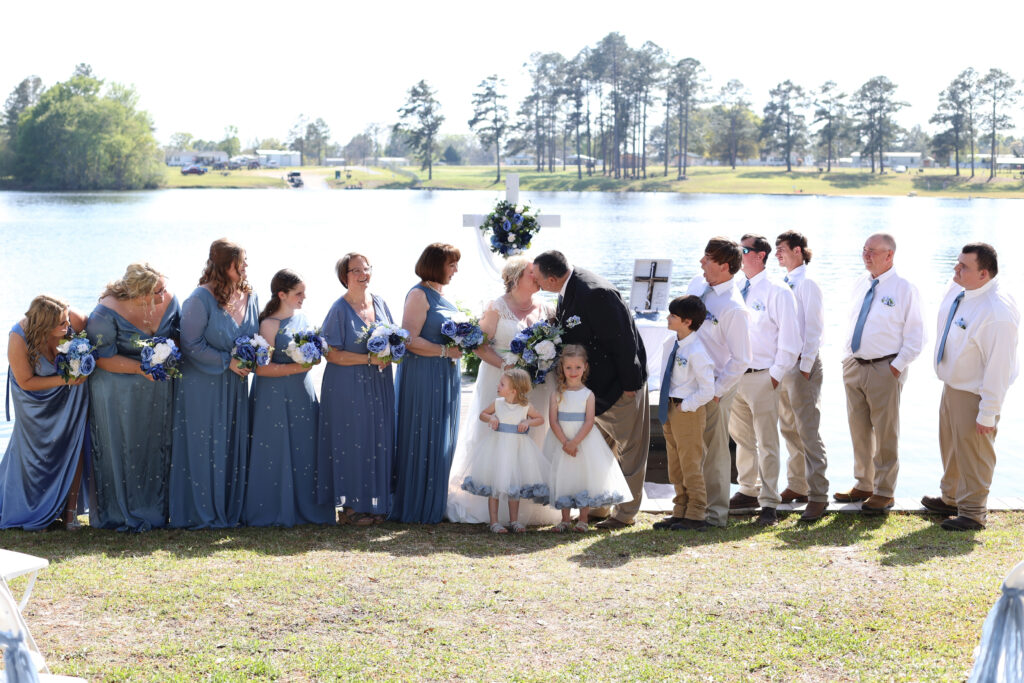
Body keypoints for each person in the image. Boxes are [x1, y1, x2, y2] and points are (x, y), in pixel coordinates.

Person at [532, 250, 647, 530]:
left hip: (620, 386)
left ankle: (625, 513)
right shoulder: (568, 288)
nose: (535, 284)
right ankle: (599, 504)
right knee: (601, 448)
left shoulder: (596, 293)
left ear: (551, 278)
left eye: (536, 278)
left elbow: (623, 341)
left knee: (630, 449)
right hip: (595, 389)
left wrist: (630, 386)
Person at [446, 256, 562, 526]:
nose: (538, 277)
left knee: (534, 438)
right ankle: (490, 507)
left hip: (537, 386)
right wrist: (506, 365)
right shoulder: (497, 307)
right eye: (532, 274)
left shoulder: (546, 309)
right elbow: (479, 345)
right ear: (516, 277)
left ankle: (531, 507)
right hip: (499, 382)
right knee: (498, 441)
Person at [924, 243, 1018, 531]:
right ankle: (952, 497)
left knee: (975, 452)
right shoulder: (963, 290)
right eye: (957, 263)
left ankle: (974, 512)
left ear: (984, 274)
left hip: (975, 392)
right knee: (952, 448)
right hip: (952, 386)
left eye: (964, 266)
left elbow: (999, 367)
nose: (956, 269)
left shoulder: (997, 311)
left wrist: (988, 412)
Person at [169, 239, 259, 529]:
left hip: (235, 385)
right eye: (241, 262)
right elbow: (190, 344)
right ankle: (200, 511)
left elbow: (254, 337)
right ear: (226, 265)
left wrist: (254, 358)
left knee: (231, 443)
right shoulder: (199, 298)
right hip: (202, 384)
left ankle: (230, 507)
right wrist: (227, 361)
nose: (246, 267)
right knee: (204, 445)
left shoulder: (250, 296)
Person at [87, 263, 180, 531]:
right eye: (158, 291)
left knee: (156, 446)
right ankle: (118, 512)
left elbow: (179, 336)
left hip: (157, 391)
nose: (164, 295)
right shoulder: (107, 310)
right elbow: (102, 357)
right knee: (124, 448)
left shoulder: (170, 301)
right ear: (139, 293)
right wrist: (141, 368)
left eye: (163, 288)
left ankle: (159, 510)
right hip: (116, 391)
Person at [837, 233, 924, 514]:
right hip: (855, 365)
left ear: (890, 255)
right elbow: (852, 322)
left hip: (885, 368)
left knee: (886, 432)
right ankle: (864, 483)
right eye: (864, 249)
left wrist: (896, 367)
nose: (866, 255)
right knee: (858, 429)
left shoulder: (904, 288)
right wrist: (846, 357)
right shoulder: (859, 284)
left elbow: (916, 336)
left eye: (872, 251)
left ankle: (884, 491)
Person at [244, 269, 334, 527]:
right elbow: (260, 368)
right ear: (282, 294)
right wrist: (299, 367)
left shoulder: (303, 318)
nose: (304, 297)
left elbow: (313, 355)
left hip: (301, 392)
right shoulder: (268, 325)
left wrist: (315, 356)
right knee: (273, 448)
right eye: (298, 293)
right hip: (272, 394)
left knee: (305, 447)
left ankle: (308, 508)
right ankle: (271, 509)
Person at [317, 253, 397, 525]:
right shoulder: (339, 310)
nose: (363, 274)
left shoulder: (381, 302)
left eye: (367, 269)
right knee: (350, 442)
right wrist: (368, 359)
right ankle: (349, 509)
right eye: (356, 270)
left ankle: (375, 504)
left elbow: (394, 338)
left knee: (377, 440)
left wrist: (391, 354)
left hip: (380, 383)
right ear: (344, 276)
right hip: (346, 385)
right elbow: (332, 354)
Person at [727, 234, 800, 527]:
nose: (738, 254)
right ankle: (747, 489)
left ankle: (769, 502)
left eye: (742, 250)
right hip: (735, 377)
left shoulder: (778, 291)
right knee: (742, 439)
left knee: (768, 441)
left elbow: (790, 340)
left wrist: (774, 375)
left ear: (760, 255)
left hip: (762, 376)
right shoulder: (734, 287)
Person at [0, 295, 89, 530]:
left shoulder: (74, 320)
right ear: (44, 326)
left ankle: (70, 513)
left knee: (74, 443)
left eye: (67, 320)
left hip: (71, 392)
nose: (68, 327)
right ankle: (32, 506)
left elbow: (90, 335)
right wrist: (65, 378)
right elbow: (26, 381)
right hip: (34, 399)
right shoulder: (18, 338)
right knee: (34, 451)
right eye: (61, 324)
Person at [390, 243, 463, 524]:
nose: (455, 270)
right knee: (423, 433)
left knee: (442, 435)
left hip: (445, 374)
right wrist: (445, 351)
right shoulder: (419, 294)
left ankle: (436, 499)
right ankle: (417, 503)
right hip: (423, 375)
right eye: (451, 264)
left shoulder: (441, 294)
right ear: (435, 265)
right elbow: (409, 340)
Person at [685, 238, 752, 527]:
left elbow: (741, 359)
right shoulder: (696, 286)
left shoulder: (734, 307)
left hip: (713, 387)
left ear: (725, 267)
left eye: (708, 258)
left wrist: (717, 392)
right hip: (686, 382)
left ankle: (714, 515)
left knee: (714, 452)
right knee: (689, 448)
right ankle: (690, 509)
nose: (701, 262)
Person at [773, 231, 830, 523]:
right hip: (784, 365)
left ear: (798, 250)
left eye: (781, 249)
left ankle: (818, 494)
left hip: (802, 365)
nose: (777, 254)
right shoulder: (785, 282)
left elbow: (814, 327)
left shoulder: (807, 283)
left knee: (807, 429)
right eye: (775, 250)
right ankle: (798, 485)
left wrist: (806, 364)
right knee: (788, 427)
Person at [544, 345, 631, 533]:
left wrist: (575, 442)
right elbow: (553, 421)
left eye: (577, 367)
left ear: (585, 367)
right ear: (562, 368)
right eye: (568, 367)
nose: (573, 372)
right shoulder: (556, 394)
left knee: (584, 477)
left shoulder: (588, 394)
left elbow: (589, 421)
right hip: (561, 440)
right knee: (564, 477)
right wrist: (565, 442)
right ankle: (565, 519)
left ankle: (583, 519)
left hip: (583, 441)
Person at [652, 295, 715, 532]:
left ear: (687, 322)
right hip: (668, 406)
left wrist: (686, 405)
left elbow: (708, 389)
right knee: (675, 461)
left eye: (673, 316)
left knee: (691, 462)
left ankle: (697, 512)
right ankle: (680, 509)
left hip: (687, 410)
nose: (668, 318)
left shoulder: (697, 350)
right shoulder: (671, 343)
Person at [460, 368, 548, 533]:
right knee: (494, 486)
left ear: (513, 390)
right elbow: (483, 415)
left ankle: (514, 520)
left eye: (502, 384)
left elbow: (540, 419)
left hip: (517, 450)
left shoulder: (525, 407)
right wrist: (491, 417)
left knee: (513, 487)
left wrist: (527, 423)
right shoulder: (498, 403)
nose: (498, 386)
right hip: (497, 448)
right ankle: (494, 522)